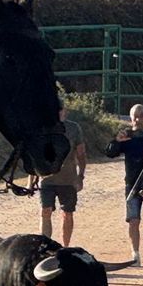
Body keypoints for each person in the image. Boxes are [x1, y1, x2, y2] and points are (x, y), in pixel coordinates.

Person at [106, 103, 143, 264]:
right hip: (132, 185)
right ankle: (135, 254)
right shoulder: (127, 136)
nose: (138, 119)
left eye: (141, 115)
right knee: (133, 221)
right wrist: (116, 141)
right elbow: (110, 153)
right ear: (131, 118)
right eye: (135, 116)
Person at [38, 101, 86, 245]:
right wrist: (32, 178)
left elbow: (81, 154)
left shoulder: (73, 128)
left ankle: (65, 247)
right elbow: (36, 155)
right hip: (47, 178)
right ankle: (46, 245)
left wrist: (80, 176)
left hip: (68, 179)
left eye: (60, 110)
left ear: (65, 111)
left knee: (67, 214)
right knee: (45, 211)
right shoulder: (43, 128)